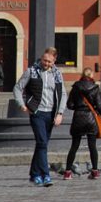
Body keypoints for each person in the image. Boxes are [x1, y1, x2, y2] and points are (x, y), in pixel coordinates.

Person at [13, 48, 66, 187]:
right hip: (37, 112)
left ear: (54, 60)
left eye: (49, 61)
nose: (46, 63)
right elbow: (18, 88)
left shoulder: (57, 74)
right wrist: (22, 104)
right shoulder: (32, 71)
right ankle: (45, 175)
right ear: (41, 59)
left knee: (42, 144)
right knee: (42, 142)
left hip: (51, 114)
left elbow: (63, 94)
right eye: (44, 60)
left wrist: (60, 113)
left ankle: (34, 173)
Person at [64, 67, 101, 180]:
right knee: (92, 146)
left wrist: (78, 107)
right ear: (91, 76)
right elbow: (99, 106)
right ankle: (95, 171)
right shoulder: (95, 88)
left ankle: (67, 172)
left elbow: (69, 105)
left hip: (78, 117)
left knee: (74, 146)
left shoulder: (75, 88)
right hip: (90, 118)